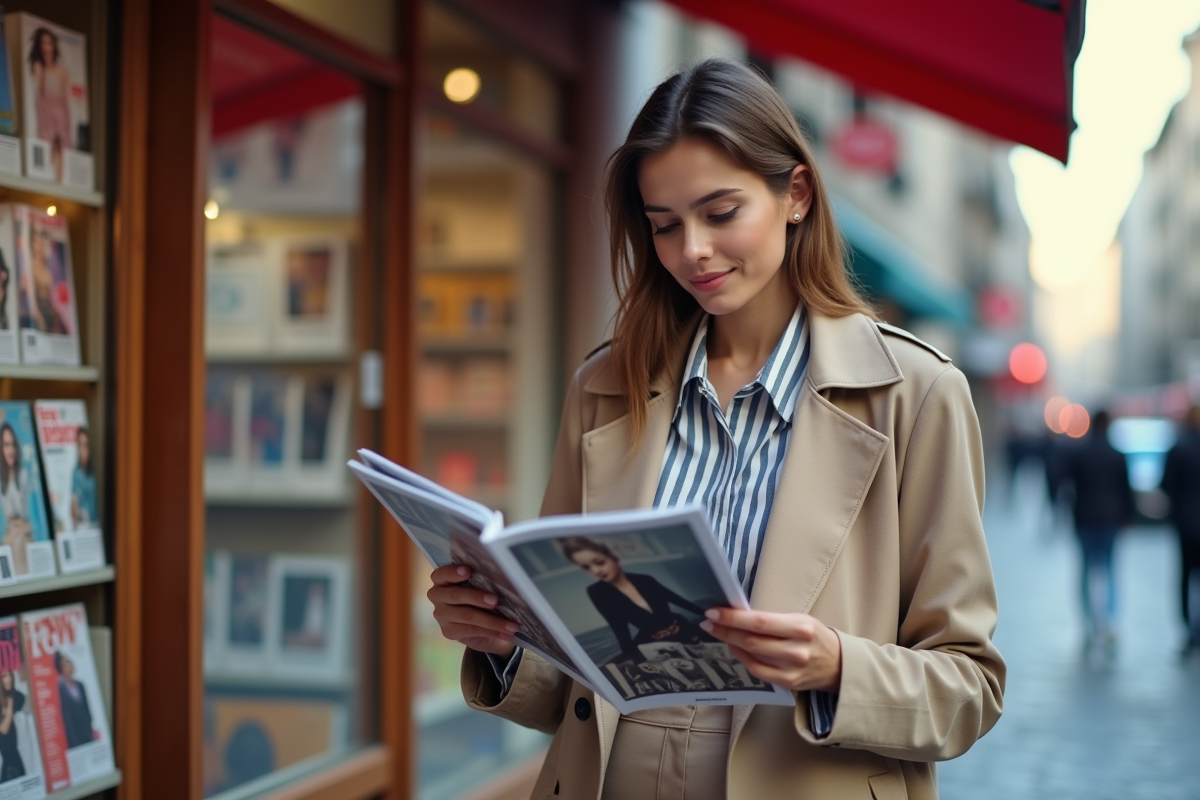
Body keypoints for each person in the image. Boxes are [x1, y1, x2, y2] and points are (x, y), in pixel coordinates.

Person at [428, 59, 1004, 799]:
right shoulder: (604, 387)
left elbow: (969, 688)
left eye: (721, 213)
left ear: (796, 195)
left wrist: (837, 667)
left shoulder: (917, 394)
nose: (692, 249)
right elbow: (574, 680)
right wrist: (504, 641)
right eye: (664, 226)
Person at [561, 536, 709, 663]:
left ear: (615, 558)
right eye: (586, 568)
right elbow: (618, 626)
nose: (595, 571)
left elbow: (678, 600)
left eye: (599, 562)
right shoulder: (597, 592)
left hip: (681, 628)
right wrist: (630, 654)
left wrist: (707, 614)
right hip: (653, 642)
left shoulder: (645, 580)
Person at [1059, 409, 1134, 651]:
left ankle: (1089, 623)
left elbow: (1067, 484)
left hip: (1085, 519)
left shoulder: (1079, 453)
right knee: (1110, 570)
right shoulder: (1117, 455)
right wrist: (1128, 517)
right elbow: (1126, 489)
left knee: (1084, 572)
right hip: (1111, 520)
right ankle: (1109, 622)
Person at [1161, 405, 1200, 656]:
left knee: (1185, 577)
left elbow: (1166, 484)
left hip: (1185, 524)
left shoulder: (1179, 448)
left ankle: (1188, 628)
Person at [28, 27, 73, 183]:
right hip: (46, 115)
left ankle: (59, 182)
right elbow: (38, 94)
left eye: (49, 43)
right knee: (46, 153)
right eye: (43, 43)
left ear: (54, 46)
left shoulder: (62, 71)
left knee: (60, 152)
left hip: (61, 115)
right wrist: (42, 116)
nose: (46, 47)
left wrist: (66, 123)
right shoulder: (39, 67)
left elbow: (65, 98)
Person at [0, 423, 33, 575]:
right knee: (12, 541)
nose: (11, 450)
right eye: (6, 445)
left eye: (13, 444)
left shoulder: (24, 475)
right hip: (9, 533)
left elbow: (27, 517)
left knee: (19, 541)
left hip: (23, 530)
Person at [55, 651, 94, 748]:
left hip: (87, 731)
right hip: (74, 736)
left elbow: (86, 707)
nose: (69, 667)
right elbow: (66, 716)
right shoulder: (60, 690)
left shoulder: (80, 685)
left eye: (69, 663)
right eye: (65, 665)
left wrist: (90, 725)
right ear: (61, 670)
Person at [0, 670, 27, 781]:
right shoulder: (8, 700)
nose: (8, 679)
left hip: (16, 756)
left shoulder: (16, 696)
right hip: (9, 761)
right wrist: (10, 706)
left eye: (10, 675)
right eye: (4, 676)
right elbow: (3, 729)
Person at [71, 425, 97, 528]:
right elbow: (74, 501)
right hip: (85, 527)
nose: (83, 450)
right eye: (80, 445)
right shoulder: (76, 473)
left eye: (86, 445)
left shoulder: (96, 471)